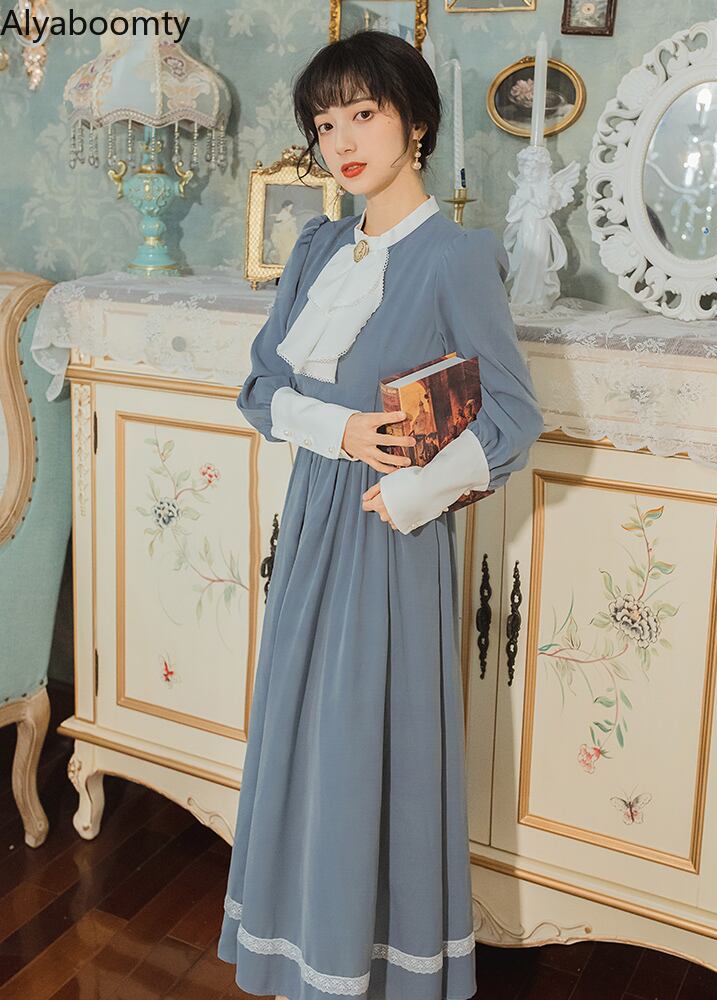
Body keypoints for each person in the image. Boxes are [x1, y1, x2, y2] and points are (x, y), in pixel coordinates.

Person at [217, 29, 545, 1000]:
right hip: (311, 521)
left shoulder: (455, 257)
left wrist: (409, 490)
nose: (343, 141)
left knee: (366, 746)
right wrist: (345, 430)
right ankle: (303, 958)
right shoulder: (317, 247)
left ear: (418, 123)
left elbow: (515, 416)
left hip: (388, 537)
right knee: (299, 737)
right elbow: (259, 390)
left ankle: (373, 972)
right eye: (326, 124)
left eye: (364, 114)